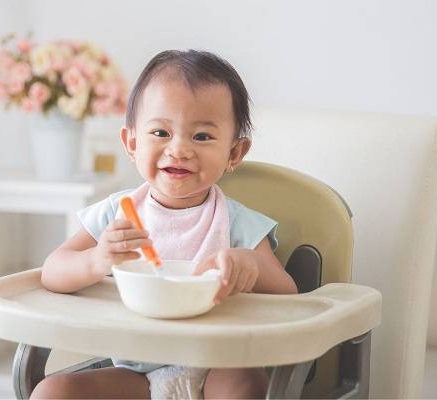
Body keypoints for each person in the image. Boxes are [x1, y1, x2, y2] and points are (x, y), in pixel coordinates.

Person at [30, 49, 297, 400]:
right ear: (131, 142)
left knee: (244, 388)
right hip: (136, 373)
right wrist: (96, 260)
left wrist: (252, 266)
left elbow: (289, 296)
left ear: (234, 154)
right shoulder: (117, 213)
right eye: (160, 132)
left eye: (202, 136)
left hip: (219, 365)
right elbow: (52, 271)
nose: (179, 149)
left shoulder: (237, 222)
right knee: (54, 392)